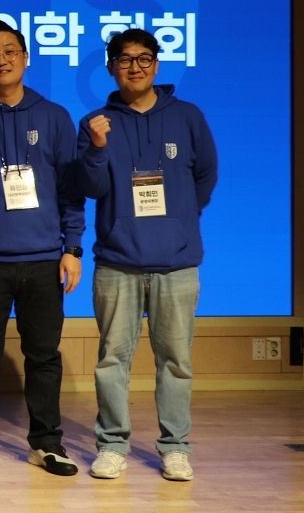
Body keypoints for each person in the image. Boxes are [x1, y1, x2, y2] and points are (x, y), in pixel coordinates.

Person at [77, 29, 217, 483]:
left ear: (156, 65)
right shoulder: (96, 122)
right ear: (110, 67)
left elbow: (206, 176)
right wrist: (97, 149)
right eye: (124, 59)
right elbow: (91, 188)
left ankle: (175, 447)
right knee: (111, 361)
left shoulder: (188, 116)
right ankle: (112, 444)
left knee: (175, 361)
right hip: (117, 261)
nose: (134, 67)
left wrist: (180, 219)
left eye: (143, 59)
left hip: (177, 263)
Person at [0, 19, 84, 478]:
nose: (0, 60)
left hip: (44, 258)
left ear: (25, 58)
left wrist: (73, 247)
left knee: (44, 356)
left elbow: (70, 189)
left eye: (9, 51)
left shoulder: (55, 116)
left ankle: (46, 442)